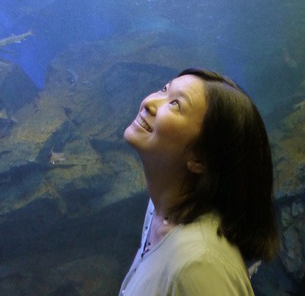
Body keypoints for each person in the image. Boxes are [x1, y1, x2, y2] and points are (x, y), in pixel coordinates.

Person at [119, 67, 279, 295]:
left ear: (201, 158)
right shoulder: (161, 208)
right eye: (164, 89)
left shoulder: (200, 266)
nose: (149, 103)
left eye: (176, 104)